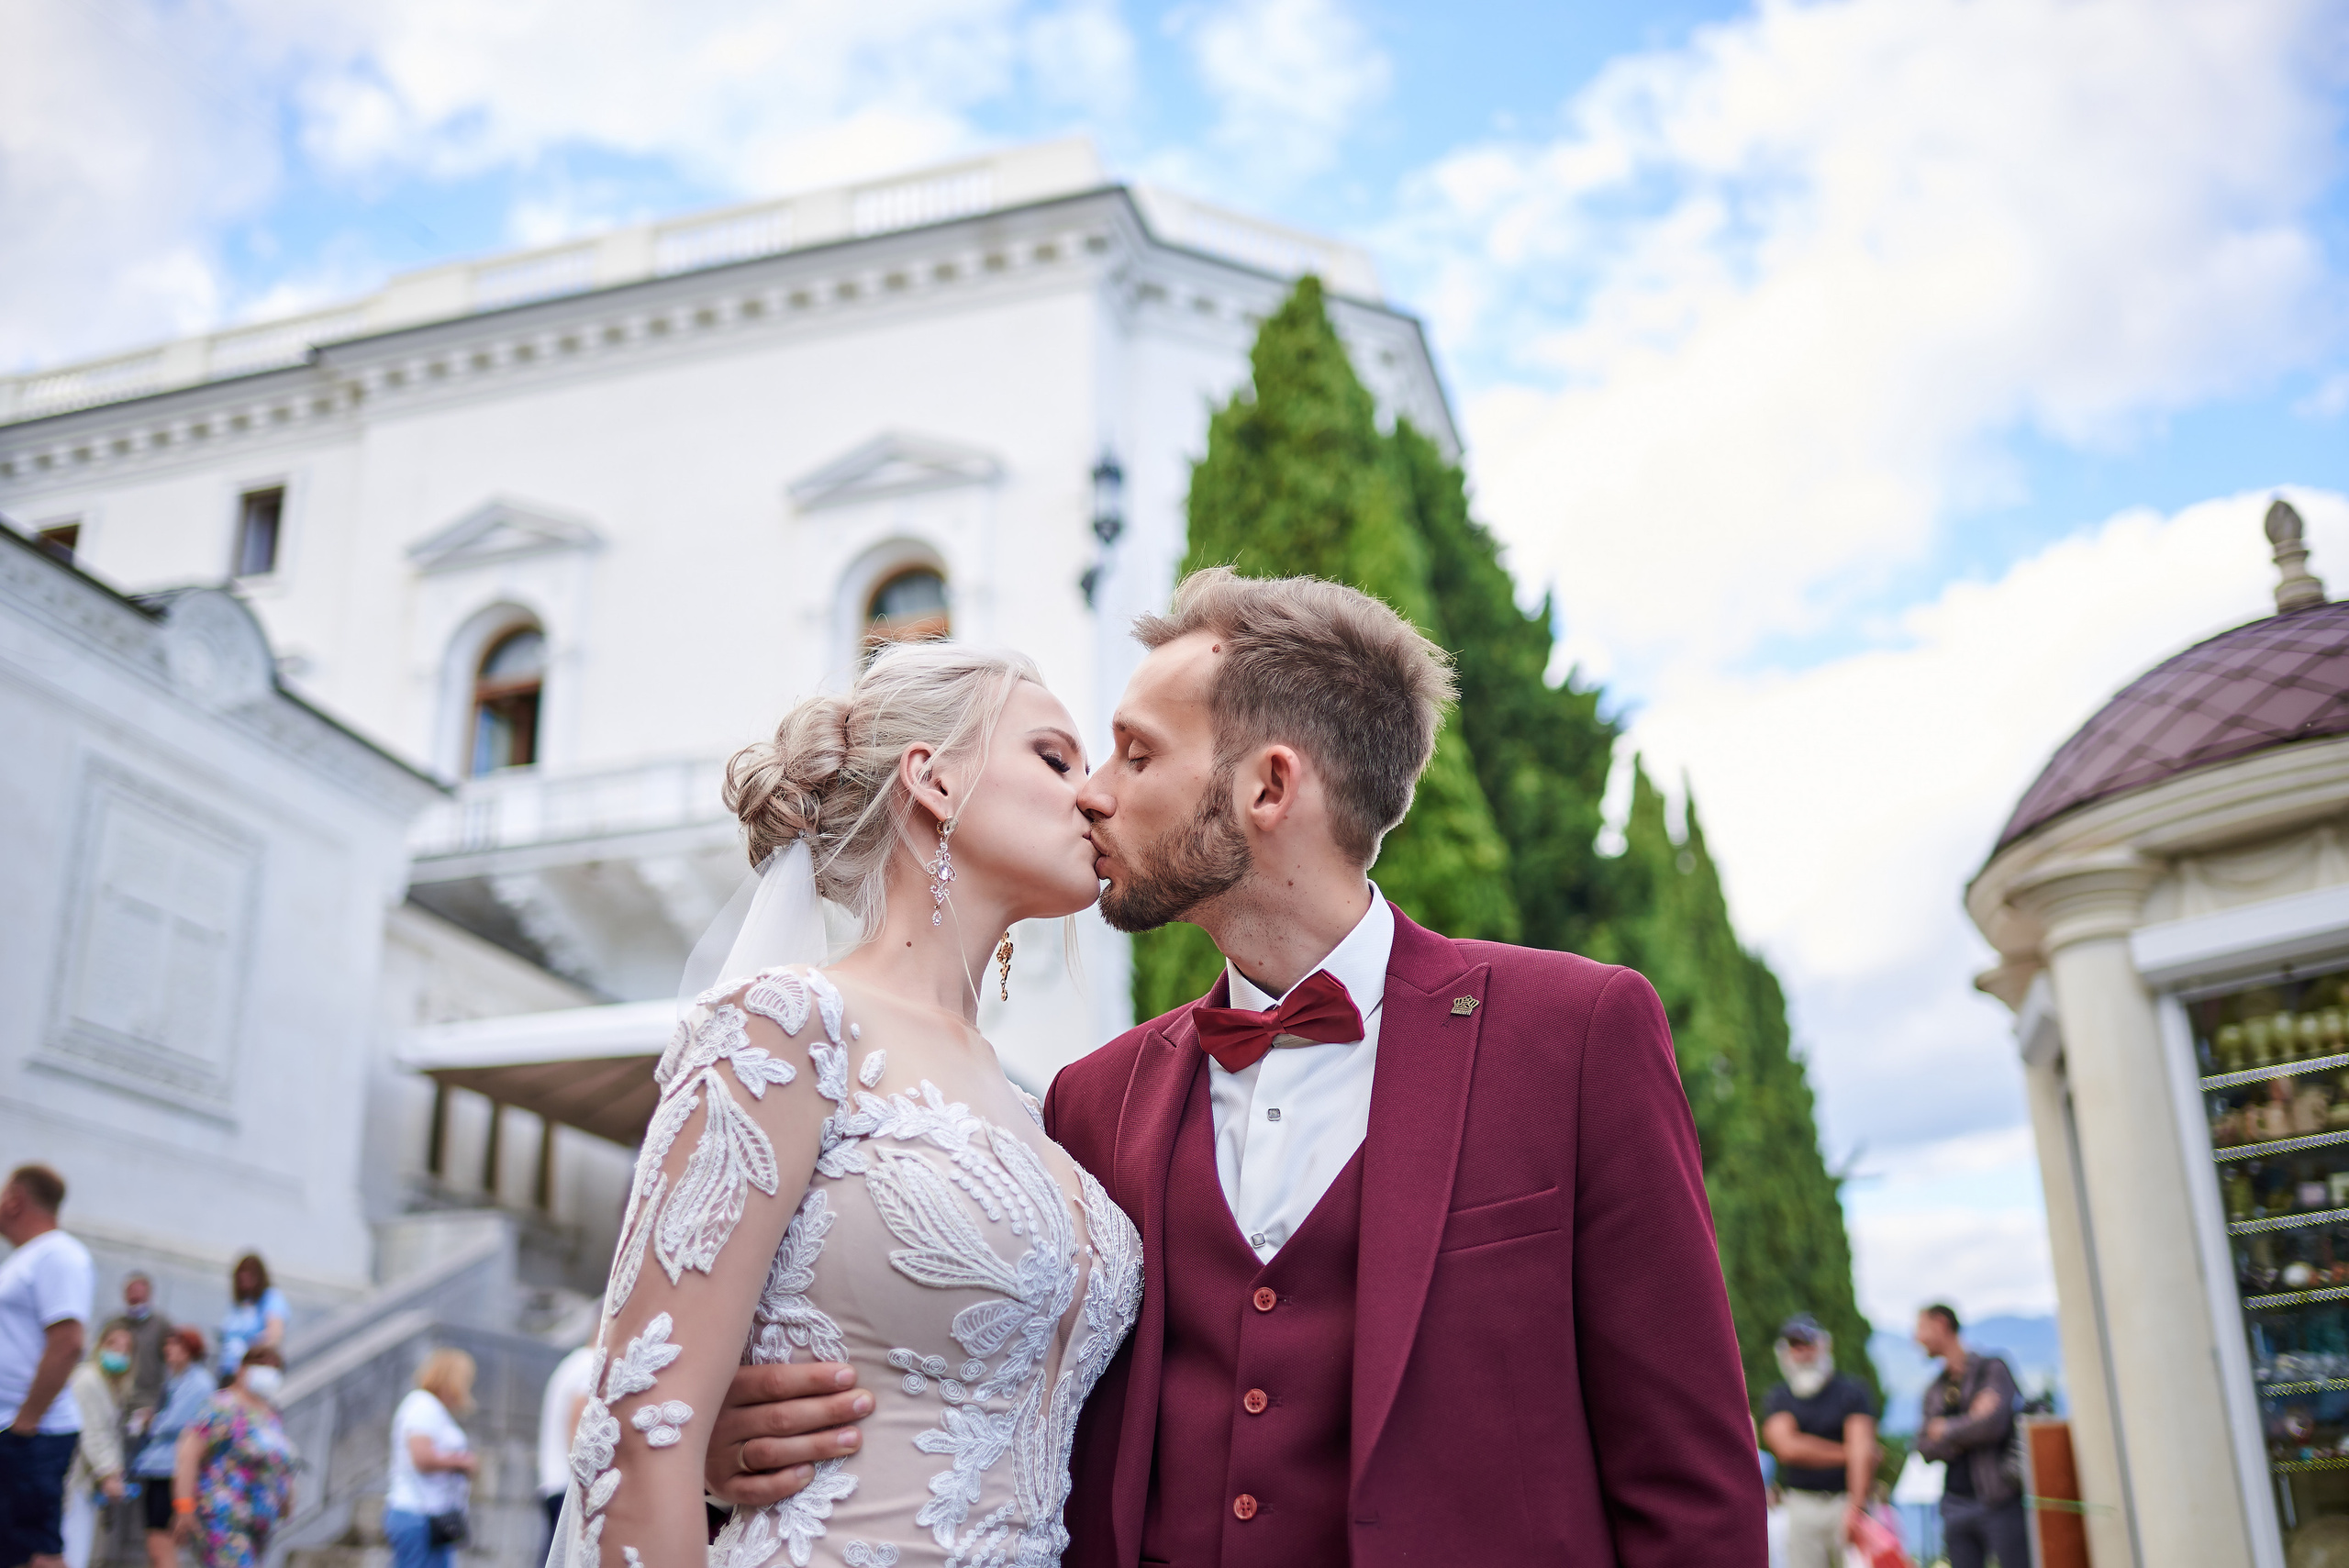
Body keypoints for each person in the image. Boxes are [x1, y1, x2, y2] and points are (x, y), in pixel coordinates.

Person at [703, 571, 1766, 1566]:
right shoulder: (1091, 1099)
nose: (1094, 796)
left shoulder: (1574, 1033)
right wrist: (727, 1433)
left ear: (1267, 786)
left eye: (1134, 754)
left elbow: (1689, 1477)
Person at [551, 642, 1140, 1567]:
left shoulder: (1037, 1114)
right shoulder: (784, 1028)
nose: (1096, 793)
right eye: (1055, 758)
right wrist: (706, 1447)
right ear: (933, 781)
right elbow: (636, 1427)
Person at [0, 1164, 95, 1568]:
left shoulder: (59, 1254)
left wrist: (25, 1422)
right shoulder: (26, 1259)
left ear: (15, 1200)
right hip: (18, 1431)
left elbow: (68, 1343)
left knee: (38, 1554)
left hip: (33, 1435)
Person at [1760, 1313, 1877, 1568]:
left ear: (1824, 1345)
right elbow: (1787, 1449)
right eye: (1795, 1345)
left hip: (1845, 1501)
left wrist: (1856, 1509)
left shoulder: (1852, 1392)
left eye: (1808, 1343)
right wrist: (1854, 1452)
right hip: (1801, 1505)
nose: (1802, 1351)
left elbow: (1862, 1445)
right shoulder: (1778, 1397)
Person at [1916, 1303, 2026, 1568]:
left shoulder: (1992, 1369)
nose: (1916, 1338)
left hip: (1999, 1499)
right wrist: (1970, 1424)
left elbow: (1993, 1426)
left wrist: (1945, 1429)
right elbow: (1924, 1446)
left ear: (1941, 1324)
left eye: (1920, 1328)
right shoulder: (1935, 1388)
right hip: (1955, 1504)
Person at [172, 1347, 293, 1568]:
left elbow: (280, 1461)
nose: (268, 1372)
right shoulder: (222, 1406)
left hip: (259, 1520)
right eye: (261, 1364)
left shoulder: (271, 1413)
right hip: (223, 1517)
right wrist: (184, 1505)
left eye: (275, 1367)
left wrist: (287, 1497)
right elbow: (188, 1453)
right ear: (242, 1369)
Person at [384, 1349, 476, 1568]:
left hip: (430, 1515)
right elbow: (422, 1457)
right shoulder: (423, 1406)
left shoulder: (431, 1409)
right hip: (417, 1514)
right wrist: (460, 1462)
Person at [130, 1329, 212, 1568]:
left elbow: (180, 1423)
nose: (168, 1350)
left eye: (175, 1345)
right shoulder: (177, 1380)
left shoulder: (198, 1383)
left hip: (173, 1472)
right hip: (159, 1468)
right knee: (156, 1545)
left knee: (161, 1544)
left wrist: (151, 1422)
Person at [60, 1328, 128, 1568]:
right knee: (70, 1548)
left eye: (125, 1348)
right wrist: (109, 1471)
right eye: (112, 1344)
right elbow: (94, 1432)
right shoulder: (87, 1380)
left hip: (87, 1482)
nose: (118, 1352)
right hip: (75, 1478)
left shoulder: (109, 1385)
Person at [535, 1340, 596, 1565]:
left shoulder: (571, 1362)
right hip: (569, 1484)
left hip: (553, 1481)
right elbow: (578, 1420)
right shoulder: (591, 1362)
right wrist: (585, 1478)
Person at [98, 1276, 172, 1423]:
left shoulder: (161, 1325)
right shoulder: (114, 1323)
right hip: (113, 1394)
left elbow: (172, 1358)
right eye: (132, 1298)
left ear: (149, 1296)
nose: (136, 1302)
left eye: (140, 1298)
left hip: (145, 1400)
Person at [212, 1261, 284, 1387]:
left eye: (249, 1279)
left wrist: (249, 1357)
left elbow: (274, 1336)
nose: (245, 1285)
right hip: (227, 1371)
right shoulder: (241, 1304)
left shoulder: (271, 1298)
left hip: (247, 1373)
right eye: (241, 1280)